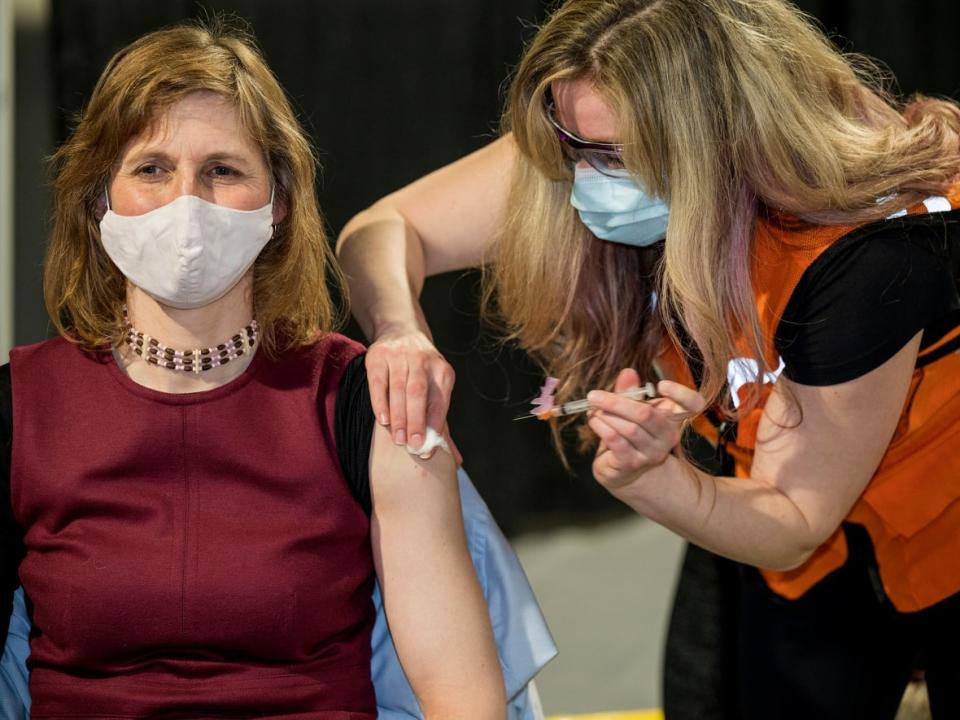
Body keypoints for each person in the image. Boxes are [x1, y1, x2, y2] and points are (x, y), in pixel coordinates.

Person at [335, 1, 960, 718]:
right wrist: (397, 330)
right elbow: (386, 227)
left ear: (723, 138)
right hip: (767, 504)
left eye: (616, 155)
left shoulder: (869, 260)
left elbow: (794, 519)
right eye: (575, 147)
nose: (588, 178)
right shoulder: (590, 131)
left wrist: (653, 483)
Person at [0, 19, 528, 718]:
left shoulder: (366, 402)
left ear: (277, 202)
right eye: (151, 169)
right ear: (101, 200)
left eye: (222, 170)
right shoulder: (19, 408)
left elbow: (466, 700)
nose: (186, 201)